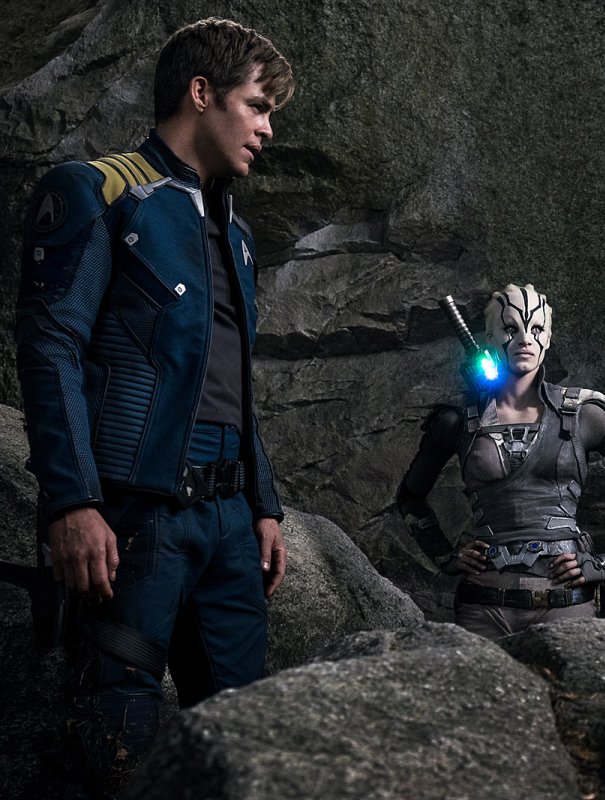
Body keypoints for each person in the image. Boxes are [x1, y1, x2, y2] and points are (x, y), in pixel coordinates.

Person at [14, 18, 294, 798]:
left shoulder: (237, 234)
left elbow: (231, 378)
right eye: (257, 105)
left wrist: (263, 505)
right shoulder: (97, 191)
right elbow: (50, 349)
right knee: (115, 751)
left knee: (246, 748)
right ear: (202, 93)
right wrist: (72, 503)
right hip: (135, 521)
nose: (268, 129)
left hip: (230, 525)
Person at [396, 283, 605, 639]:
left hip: (566, 603)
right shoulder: (458, 420)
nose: (525, 339)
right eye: (511, 328)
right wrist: (446, 557)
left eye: (537, 329)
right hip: (484, 606)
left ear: (548, 339)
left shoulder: (582, 413)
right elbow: (410, 496)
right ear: (490, 338)